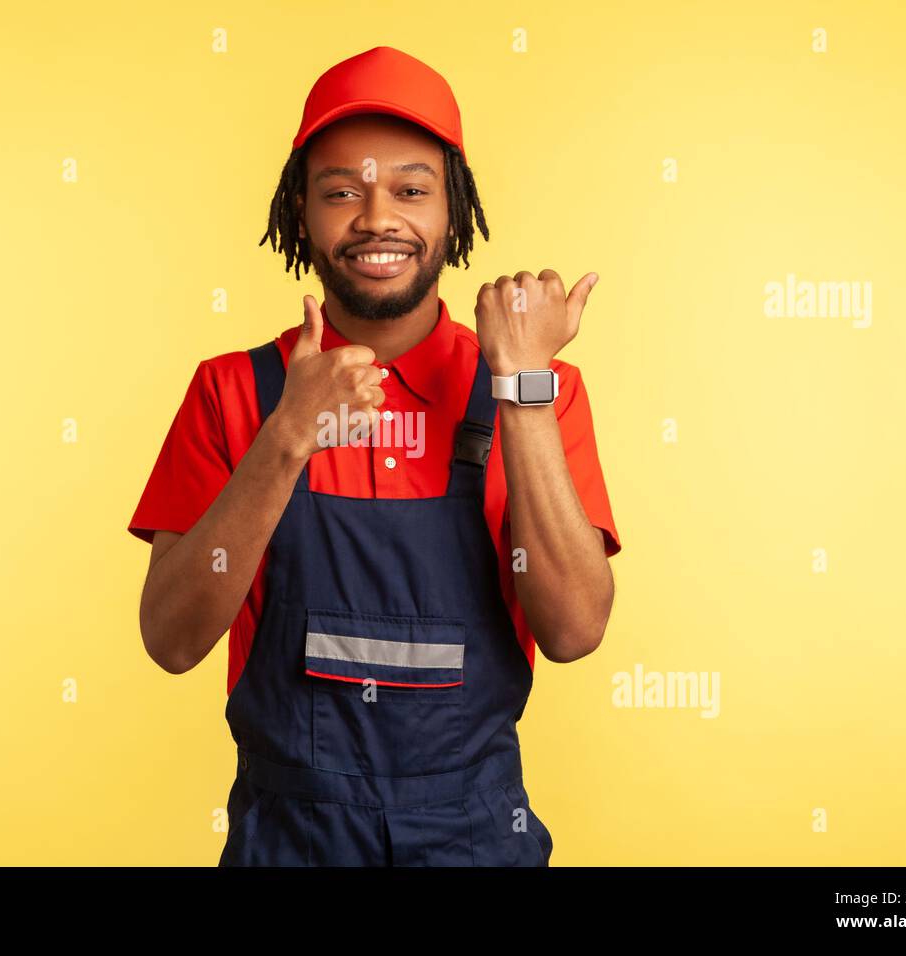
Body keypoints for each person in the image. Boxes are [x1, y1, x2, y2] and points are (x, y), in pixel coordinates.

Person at [129, 46, 621, 866]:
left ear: (454, 211)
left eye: (411, 189)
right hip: (289, 842)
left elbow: (574, 631)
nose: (375, 218)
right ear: (300, 212)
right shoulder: (233, 393)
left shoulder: (539, 389)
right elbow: (170, 641)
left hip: (476, 839)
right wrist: (286, 438)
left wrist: (522, 387)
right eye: (340, 192)